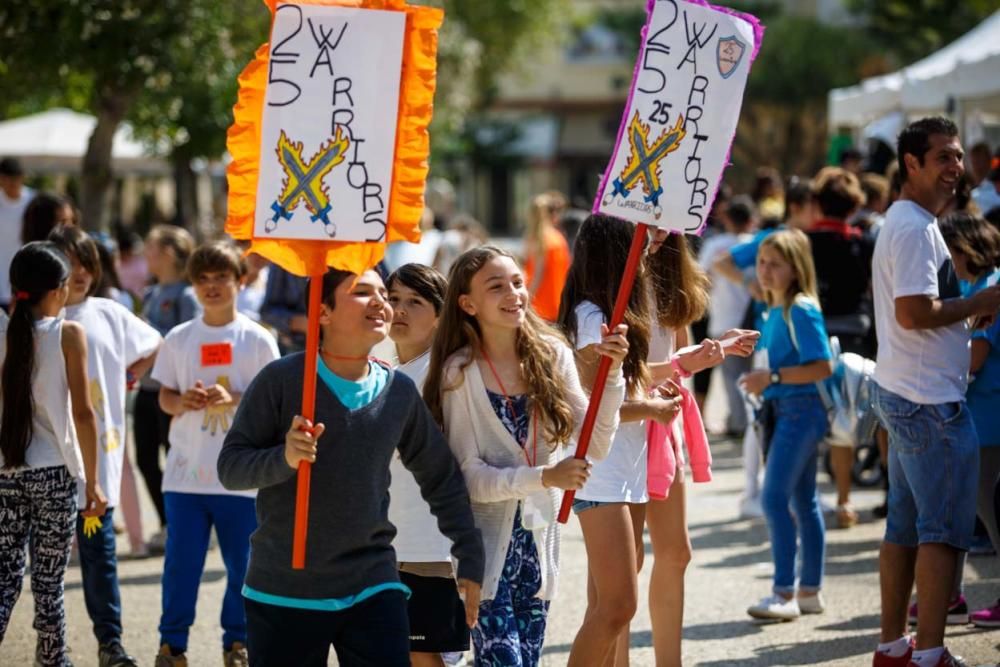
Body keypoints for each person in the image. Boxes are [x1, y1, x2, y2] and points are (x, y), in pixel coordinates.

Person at [218, 267, 484, 667]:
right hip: (284, 588)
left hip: (373, 583)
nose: (382, 303)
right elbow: (231, 467)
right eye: (363, 292)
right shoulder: (283, 379)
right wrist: (284, 458)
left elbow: (440, 477)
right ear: (322, 312)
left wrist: (470, 553)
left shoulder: (398, 391)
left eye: (383, 292)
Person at [558, 219, 756, 667]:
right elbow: (594, 402)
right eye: (641, 232)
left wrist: (700, 357)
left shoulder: (645, 290)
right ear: (614, 249)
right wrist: (652, 402)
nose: (654, 236)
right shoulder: (593, 314)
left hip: (634, 454)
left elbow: (637, 376)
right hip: (605, 462)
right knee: (613, 603)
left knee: (616, 595)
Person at [422, 245, 628, 666]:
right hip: (482, 555)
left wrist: (614, 374)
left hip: (538, 550)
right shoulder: (458, 373)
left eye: (517, 282)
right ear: (468, 303)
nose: (514, 293)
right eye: (497, 286)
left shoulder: (553, 355)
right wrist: (544, 477)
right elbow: (470, 478)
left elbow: (596, 443)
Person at [870, 117, 1000, 667]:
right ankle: (928, 655)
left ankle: (895, 647)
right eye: (942, 157)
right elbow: (915, 312)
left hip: (910, 394)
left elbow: (917, 318)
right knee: (944, 535)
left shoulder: (910, 222)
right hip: (928, 404)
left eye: (956, 157)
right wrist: (980, 304)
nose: (955, 168)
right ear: (912, 165)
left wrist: (962, 318)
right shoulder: (915, 228)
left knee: (904, 530)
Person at [150, 242, 280, 666]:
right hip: (186, 475)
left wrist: (236, 396)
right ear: (192, 284)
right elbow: (163, 397)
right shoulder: (178, 338)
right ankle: (172, 646)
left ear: (239, 280)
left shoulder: (259, 339)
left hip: (242, 476)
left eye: (221, 277)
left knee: (243, 568)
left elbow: (274, 404)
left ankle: (237, 643)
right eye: (203, 279)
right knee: (180, 568)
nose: (212, 287)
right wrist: (182, 401)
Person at [48, 227, 162, 667]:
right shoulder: (37, 317)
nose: (78, 273)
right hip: (49, 464)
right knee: (47, 564)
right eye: (67, 262)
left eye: (85, 263)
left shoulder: (109, 312)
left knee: (99, 557)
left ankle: (110, 643)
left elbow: (154, 343)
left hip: (99, 466)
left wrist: (130, 376)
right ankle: (52, 648)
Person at [0, 242, 107, 666]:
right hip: (54, 474)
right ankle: (53, 660)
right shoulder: (68, 335)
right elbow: (83, 412)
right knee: (48, 584)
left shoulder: (4, 335)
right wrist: (93, 481)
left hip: (6, 471)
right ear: (60, 290)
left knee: (4, 578)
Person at [741, 229, 833, 621]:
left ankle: (784, 592)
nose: (765, 270)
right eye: (762, 262)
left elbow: (822, 366)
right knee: (802, 501)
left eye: (775, 264)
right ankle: (808, 590)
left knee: (774, 498)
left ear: (796, 269)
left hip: (801, 411)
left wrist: (772, 380)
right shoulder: (773, 308)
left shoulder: (800, 308)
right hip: (786, 412)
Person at [384, 263, 468, 667]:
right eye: (393, 298)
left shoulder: (444, 374)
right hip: (393, 539)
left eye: (414, 302)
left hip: (431, 541)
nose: (399, 309)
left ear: (440, 316)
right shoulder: (390, 374)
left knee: (426, 653)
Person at [928, 213, 1000, 629]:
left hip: (989, 418)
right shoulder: (972, 287)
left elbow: (975, 356)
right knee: (965, 507)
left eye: (947, 252)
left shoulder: (989, 289)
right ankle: (950, 597)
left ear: (966, 248)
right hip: (973, 414)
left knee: (991, 510)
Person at [806, 166, 876, 529]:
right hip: (857, 339)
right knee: (845, 421)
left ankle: (807, 499)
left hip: (812, 338)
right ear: (854, 205)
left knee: (805, 418)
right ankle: (845, 501)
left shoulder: (802, 241)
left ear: (818, 202)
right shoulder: (864, 242)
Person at [135, 224, 199, 552]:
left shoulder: (187, 295)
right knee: (146, 459)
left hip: (171, 390)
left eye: (152, 249)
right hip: (145, 389)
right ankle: (166, 521)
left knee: (173, 457)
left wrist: (151, 331)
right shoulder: (150, 293)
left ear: (169, 254)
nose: (147, 255)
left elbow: (189, 338)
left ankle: (181, 525)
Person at [698, 196, 755, 435]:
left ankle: (739, 423)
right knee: (749, 372)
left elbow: (702, 279)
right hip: (752, 318)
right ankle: (744, 420)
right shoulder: (754, 243)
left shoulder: (716, 245)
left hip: (723, 318)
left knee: (732, 376)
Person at [523, 193, 572, 321]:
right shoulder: (558, 237)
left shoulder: (538, 238)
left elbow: (537, 275)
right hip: (557, 302)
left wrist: (525, 300)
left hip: (540, 306)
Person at [0, 157, 33, 312]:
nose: (13, 184)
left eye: (16, 179)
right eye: (8, 179)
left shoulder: (33, 202)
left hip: (25, 277)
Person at [258, 265, 308, 354]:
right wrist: (295, 322)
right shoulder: (282, 262)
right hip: (292, 348)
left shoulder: (336, 260)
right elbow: (267, 312)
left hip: (330, 349)